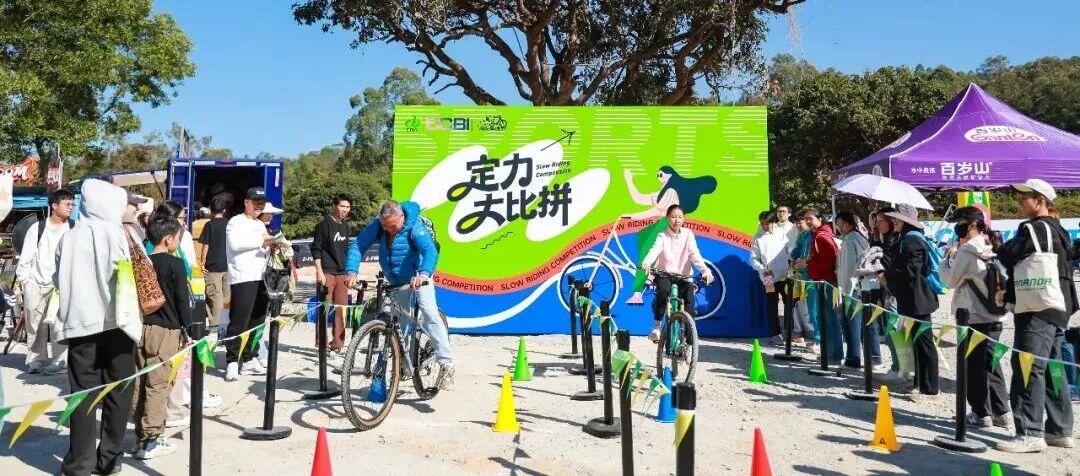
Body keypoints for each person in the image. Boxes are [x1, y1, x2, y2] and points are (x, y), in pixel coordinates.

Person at [54, 179, 142, 476]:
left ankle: (80, 463)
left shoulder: (69, 237)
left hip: (80, 326)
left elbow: (57, 278)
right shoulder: (123, 234)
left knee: (82, 395)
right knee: (118, 393)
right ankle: (109, 459)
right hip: (119, 323)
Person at [995, 179, 1076, 453]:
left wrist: (999, 246)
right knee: (1053, 367)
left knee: (1027, 366)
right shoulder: (1059, 229)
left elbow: (1008, 255)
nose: (1020, 204)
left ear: (1040, 200)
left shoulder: (1034, 228)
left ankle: (1030, 432)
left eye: (1024, 199)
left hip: (1037, 305)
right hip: (1059, 304)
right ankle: (1059, 429)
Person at [344, 200, 455, 389]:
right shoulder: (379, 225)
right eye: (385, 226)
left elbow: (430, 251)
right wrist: (351, 271)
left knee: (429, 312)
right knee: (398, 322)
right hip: (396, 280)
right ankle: (402, 363)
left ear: (402, 217)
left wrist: (423, 274)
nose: (389, 230)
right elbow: (358, 246)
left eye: (393, 226)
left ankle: (447, 364)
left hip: (419, 275)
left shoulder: (414, 226)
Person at [938, 206, 1012, 430]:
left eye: (959, 223)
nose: (957, 228)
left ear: (972, 224)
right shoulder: (992, 245)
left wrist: (946, 259)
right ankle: (1001, 412)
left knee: (974, 367)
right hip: (996, 314)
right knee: (992, 364)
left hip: (973, 316)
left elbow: (950, 281)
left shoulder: (967, 251)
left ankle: (981, 414)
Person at [130, 217, 191, 459]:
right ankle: (152, 439)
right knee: (158, 385)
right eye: (177, 237)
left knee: (140, 382)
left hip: (141, 328)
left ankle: (139, 437)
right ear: (168, 239)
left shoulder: (142, 262)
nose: (178, 242)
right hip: (166, 331)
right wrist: (188, 328)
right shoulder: (175, 265)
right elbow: (182, 300)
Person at [623, 166, 717, 305]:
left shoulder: (671, 191)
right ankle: (651, 275)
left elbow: (656, 211)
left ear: (670, 175)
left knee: (646, 252)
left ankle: (638, 292)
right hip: (662, 223)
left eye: (661, 175)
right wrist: (629, 180)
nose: (658, 178)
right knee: (642, 237)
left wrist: (632, 216)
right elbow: (639, 198)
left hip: (664, 224)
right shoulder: (664, 190)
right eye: (657, 175)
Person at [880, 203, 939, 400]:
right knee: (916, 341)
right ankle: (920, 382)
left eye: (896, 218)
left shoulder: (912, 239)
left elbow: (913, 269)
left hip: (918, 298)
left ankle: (929, 387)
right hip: (910, 297)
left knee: (924, 343)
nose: (893, 221)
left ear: (905, 221)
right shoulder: (905, 238)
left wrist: (889, 277)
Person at [16, 188, 75, 375]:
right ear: (54, 205)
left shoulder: (73, 228)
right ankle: (35, 360)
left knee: (59, 324)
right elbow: (26, 258)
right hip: (36, 284)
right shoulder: (38, 228)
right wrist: (26, 282)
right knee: (34, 324)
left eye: (72, 204)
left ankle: (59, 362)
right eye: (67, 204)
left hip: (61, 286)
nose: (71, 207)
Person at [640, 204, 715, 343]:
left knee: (689, 303)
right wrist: (647, 262)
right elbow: (654, 250)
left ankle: (690, 341)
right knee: (663, 291)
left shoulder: (688, 234)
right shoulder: (662, 235)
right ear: (667, 218)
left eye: (680, 217)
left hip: (684, 276)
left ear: (683, 219)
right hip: (665, 274)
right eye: (673, 217)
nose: (677, 220)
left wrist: (706, 271)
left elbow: (695, 255)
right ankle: (656, 327)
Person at [224, 187, 273, 382]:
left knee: (258, 320)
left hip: (262, 277)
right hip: (243, 277)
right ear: (246, 202)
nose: (258, 206)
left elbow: (264, 246)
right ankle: (232, 360)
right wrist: (261, 242)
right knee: (239, 321)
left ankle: (250, 356)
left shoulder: (260, 225)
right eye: (255, 203)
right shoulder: (235, 222)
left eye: (261, 203)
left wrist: (272, 246)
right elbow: (235, 245)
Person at [855, 208, 903, 378]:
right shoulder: (880, 239)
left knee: (894, 328)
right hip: (881, 289)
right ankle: (898, 366)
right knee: (889, 329)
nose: (877, 224)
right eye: (875, 221)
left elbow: (889, 263)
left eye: (881, 220)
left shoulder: (896, 240)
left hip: (893, 291)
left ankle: (900, 368)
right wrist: (875, 241)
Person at [797, 208, 842, 364]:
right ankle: (830, 352)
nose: (808, 221)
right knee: (824, 317)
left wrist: (807, 264)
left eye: (810, 218)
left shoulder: (822, 236)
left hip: (826, 281)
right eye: (806, 218)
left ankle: (834, 354)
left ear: (820, 218)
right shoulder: (815, 234)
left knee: (829, 318)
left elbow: (828, 261)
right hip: (821, 280)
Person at [835, 211, 880, 368]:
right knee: (868, 323)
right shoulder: (861, 238)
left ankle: (853, 358)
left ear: (850, 224)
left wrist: (844, 290)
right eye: (838, 224)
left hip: (853, 287)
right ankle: (875, 358)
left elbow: (848, 269)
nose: (840, 227)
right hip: (864, 286)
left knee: (853, 324)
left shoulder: (850, 241)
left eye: (842, 224)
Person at [311, 194, 353, 352]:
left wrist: (349, 272)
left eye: (347, 207)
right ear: (334, 206)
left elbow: (346, 251)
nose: (345, 210)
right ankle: (321, 343)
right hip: (326, 271)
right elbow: (316, 249)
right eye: (342, 206)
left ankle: (338, 343)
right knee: (324, 308)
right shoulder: (323, 225)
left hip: (342, 273)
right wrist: (319, 271)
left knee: (341, 309)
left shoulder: (346, 227)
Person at [751, 211, 790, 343]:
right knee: (772, 304)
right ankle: (775, 332)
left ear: (773, 222)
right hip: (768, 276)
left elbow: (789, 250)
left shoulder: (782, 233)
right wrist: (763, 269)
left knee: (789, 303)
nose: (764, 226)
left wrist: (790, 264)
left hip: (785, 275)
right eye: (762, 223)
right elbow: (754, 259)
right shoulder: (757, 237)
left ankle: (789, 330)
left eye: (766, 223)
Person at [787, 215, 815, 350]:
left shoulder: (812, 235)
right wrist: (792, 258)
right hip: (800, 274)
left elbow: (811, 255)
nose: (798, 225)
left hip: (811, 275)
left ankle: (814, 334)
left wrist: (805, 262)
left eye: (801, 222)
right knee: (798, 303)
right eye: (796, 223)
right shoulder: (801, 236)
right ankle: (799, 330)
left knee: (812, 306)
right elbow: (797, 250)